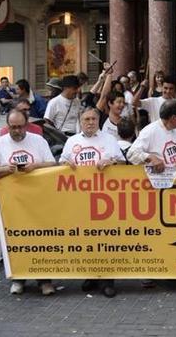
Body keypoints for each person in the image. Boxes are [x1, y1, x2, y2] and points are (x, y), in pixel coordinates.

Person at [0, 109, 58, 296]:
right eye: (12, 127)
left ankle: (44, 280)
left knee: (40, 241)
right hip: (12, 204)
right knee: (16, 241)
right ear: (7, 126)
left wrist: (35, 166)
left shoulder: (38, 141)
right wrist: (6, 169)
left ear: (26, 125)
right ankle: (18, 279)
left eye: (20, 127)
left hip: (37, 202)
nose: (16, 131)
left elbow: (52, 164)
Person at [60, 107, 125, 297]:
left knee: (106, 239)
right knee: (86, 239)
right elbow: (61, 163)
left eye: (93, 119)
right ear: (80, 121)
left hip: (105, 200)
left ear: (98, 121)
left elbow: (123, 163)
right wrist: (66, 164)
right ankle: (91, 275)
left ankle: (108, 280)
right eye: (86, 119)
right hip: (80, 199)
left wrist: (111, 162)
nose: (90, 122)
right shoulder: (72, 141)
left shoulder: (109, 140)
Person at [127, 100, 176, 171]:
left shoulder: (175, 130)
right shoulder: (150, 131)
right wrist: (151, 157)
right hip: (157, 180)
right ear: (173, 118)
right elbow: (131, 153)